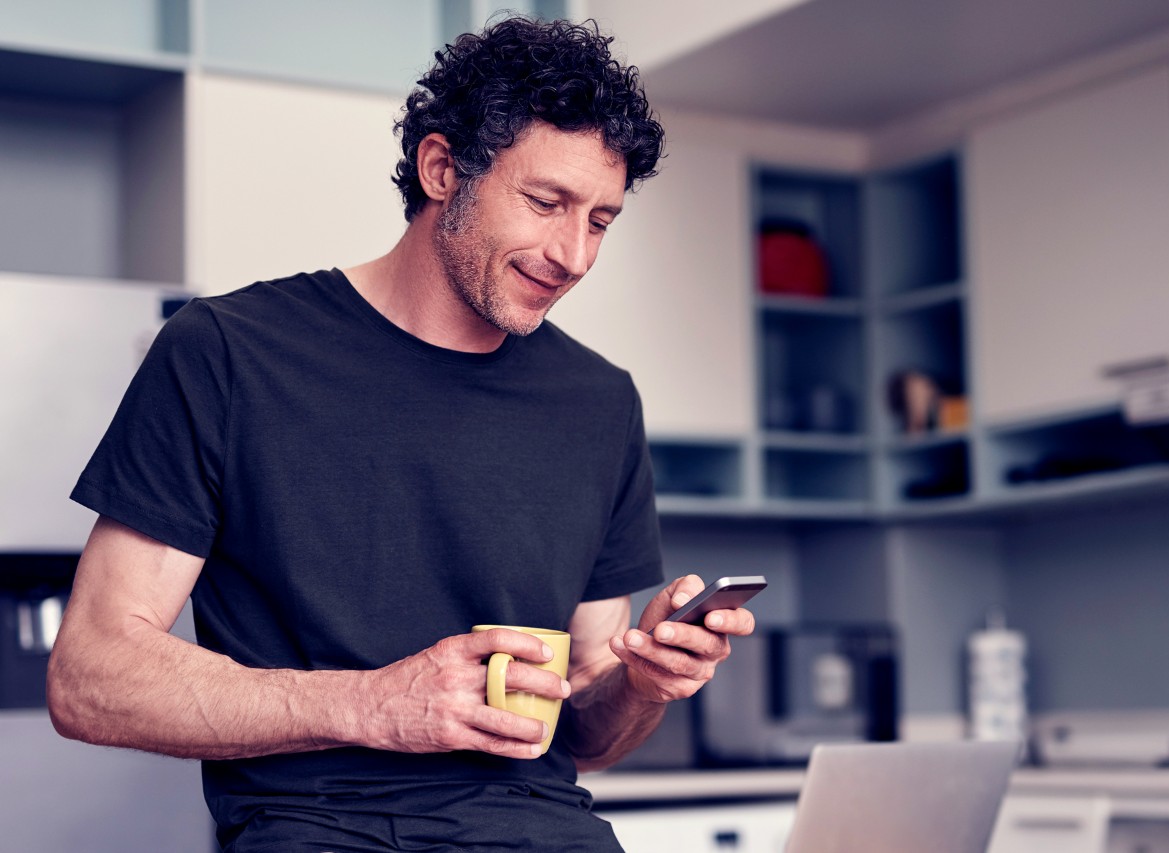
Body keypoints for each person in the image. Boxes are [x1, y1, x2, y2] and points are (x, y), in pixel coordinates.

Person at [46, 17, 756, 853]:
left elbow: (583, 733)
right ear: (441, 168)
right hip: (321, 834)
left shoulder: (600, 402)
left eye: (600, 220)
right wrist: (377, 702)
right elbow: (91, 676)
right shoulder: (230, 353)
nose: (573, 255)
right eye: (545, 202)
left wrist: (642, 681)